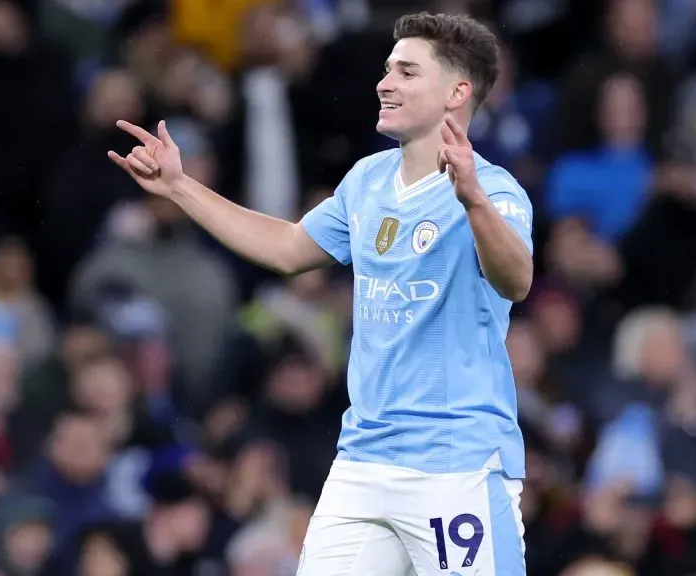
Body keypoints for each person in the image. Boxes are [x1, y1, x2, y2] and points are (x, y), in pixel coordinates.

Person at [109, 12, 534, 575]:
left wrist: (472, 200)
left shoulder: (497, 192)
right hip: (363, 461)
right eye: (388, 70)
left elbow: (516, 280)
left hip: (454, 465)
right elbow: (286, 249)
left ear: (458, 92)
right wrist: (181, 187)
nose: (385, 83)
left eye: (407, 72)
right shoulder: (367, 181)